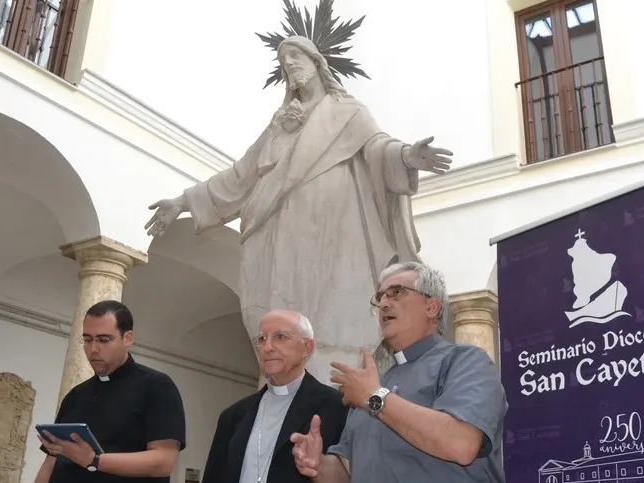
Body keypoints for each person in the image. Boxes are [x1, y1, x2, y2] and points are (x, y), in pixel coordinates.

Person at [144, 33, 453, 384]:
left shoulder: (348, 113)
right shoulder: (280, 124)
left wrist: (407, 156)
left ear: (317, 63)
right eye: (283, 60)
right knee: (283, 319)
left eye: (295, 56)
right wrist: (183, 202)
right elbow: (241, 174)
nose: (289, 64)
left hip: (334, 232)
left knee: (332, 318)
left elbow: (378, 149)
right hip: (278, 235)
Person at [291, 262, 508, 483]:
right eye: (381, 297)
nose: (385, 303)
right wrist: (317, 466)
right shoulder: (375, 383)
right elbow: (346, 475)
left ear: (432, 306)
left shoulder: (464, 362)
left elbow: (462, 444)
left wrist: (375, 398)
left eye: (397, 292)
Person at [1, 300, 186, 483]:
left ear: (128, 338)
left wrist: (95, 460)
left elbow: (163, 461)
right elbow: (50, 469)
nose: (93, 349)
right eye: (87, 340)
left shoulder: (156, 388)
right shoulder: (76, 396)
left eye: (104, 339)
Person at [186, 309, 355, 483]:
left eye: (280, 337)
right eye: (261, 338)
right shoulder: (234, 416)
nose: (268, 346)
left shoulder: (336, 409)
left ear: (307, 348)